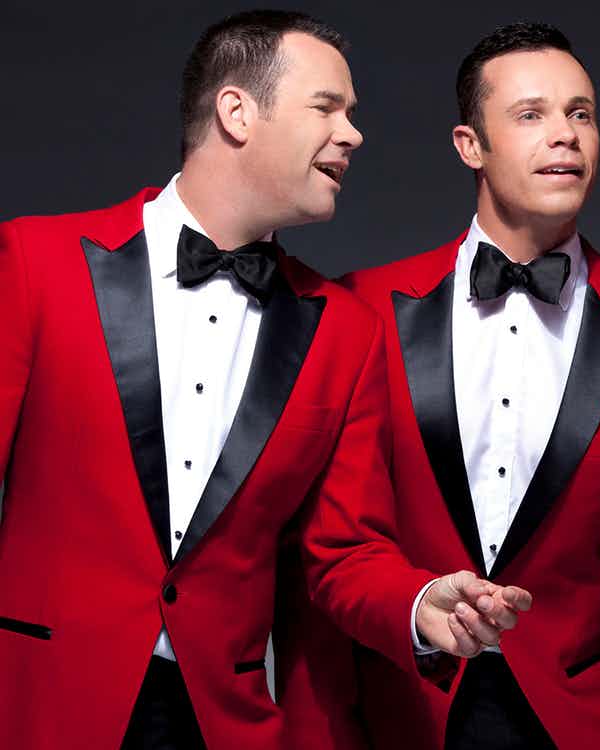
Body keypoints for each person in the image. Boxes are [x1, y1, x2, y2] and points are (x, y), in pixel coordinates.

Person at [0, 11, 529, 749]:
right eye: (327, 107)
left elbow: (343, 551)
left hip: (225, 722)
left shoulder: (343, 331)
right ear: (237, 112)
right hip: (39, 708)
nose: (353, 134)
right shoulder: (35, 262)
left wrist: (418, 604)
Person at [336, 21, 600, 750]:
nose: (565, 134)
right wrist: (414, 605)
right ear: (469, 145)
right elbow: (345, 539)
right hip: (407, 708)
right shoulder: (367, 309)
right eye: (530, 114)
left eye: (581, 114)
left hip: (577, 717)